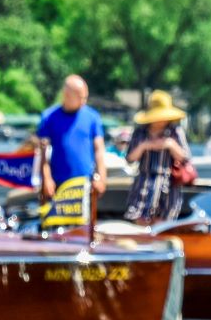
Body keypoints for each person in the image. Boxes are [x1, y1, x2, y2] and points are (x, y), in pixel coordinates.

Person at [34, 75, 107, 206]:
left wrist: (101, 178)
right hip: (57, 185)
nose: (84, 101)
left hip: (85, 185)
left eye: (85, 97)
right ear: (67, 95)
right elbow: (42, 153)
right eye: (80, 97)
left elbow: (99, 150)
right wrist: (47, 179)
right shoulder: (49, 117)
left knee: (83, 225)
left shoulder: (92, 117)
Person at [124, 91, 191, 224]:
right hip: (144, 183)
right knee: (141, 221)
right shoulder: (140, 132)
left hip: (168, 184)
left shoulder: (175, 131)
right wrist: (145, 146)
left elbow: (185, 157)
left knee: (163, 224)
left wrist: (170, 145)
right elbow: (130, 158)